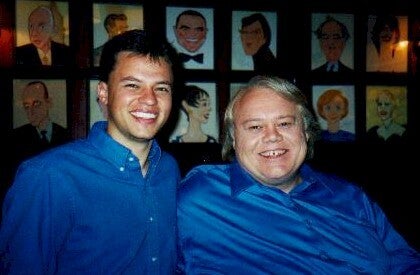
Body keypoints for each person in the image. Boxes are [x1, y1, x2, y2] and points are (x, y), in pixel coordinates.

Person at [177, 75, 420, 273]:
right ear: (233, 138)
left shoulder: (351, 196)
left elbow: (405, 261)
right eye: (255, 127)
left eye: (284, 123)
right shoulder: (199, 195)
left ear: (305, 131)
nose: (272, 136)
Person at [1, 29, 182, 274]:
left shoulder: (168, 169)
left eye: (161, 88)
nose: (149, 100)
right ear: (104, 93)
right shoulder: (47, 176)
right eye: (132, 85)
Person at [2, 80, 71, 205]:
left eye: (36, 104)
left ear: (48, 103)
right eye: (26, 106)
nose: (30, 112)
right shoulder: (15, 139)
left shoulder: (67, 137)